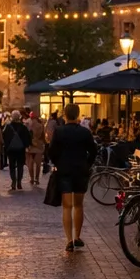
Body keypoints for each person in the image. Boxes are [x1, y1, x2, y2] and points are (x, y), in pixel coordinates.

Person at [49, 103, 97, 251]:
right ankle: (77, 236)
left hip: (64, 170)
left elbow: (51, 151)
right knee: (78, 205)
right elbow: (93, 151)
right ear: (77, 114)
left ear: (65, 114)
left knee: (67, 206)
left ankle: (69, 239)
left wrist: (58, 162)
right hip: (80, 170)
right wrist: (87, 164)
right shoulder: (85, 132)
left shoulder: (59, 131)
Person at [2, 110, 32, 190]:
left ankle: (13, 181)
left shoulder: (8, 127)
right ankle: (19, 182)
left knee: (12, 166)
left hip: (11, 150)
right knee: (20, 166)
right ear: (19, 117)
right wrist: (26, 146)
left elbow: (4, 137)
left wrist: (7, 146)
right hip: (21, 150)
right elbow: (28, 137)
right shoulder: (23, 127)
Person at [26, 110, 46, 186]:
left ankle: (31, 178)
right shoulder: (40, 125)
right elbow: (43, 136)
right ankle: (37, 179)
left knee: (30, 164)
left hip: (30, 146)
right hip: (38, 146)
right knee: (38, 164)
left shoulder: (27, 124)